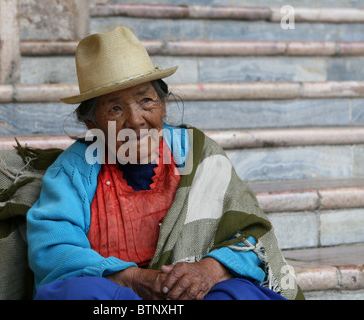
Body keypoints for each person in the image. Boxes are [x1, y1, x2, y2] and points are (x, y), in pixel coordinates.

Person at [26, 26, 304, 300]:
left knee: (238, 293)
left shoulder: (198, 153)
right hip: (119, 296)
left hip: (194, 296)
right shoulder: (74, 169)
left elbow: (249, 236)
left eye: (146, 100)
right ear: (91, 123)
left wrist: (208, 271)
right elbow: (53, 249)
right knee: (79, 293)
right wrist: (132, 279)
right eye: (115, 108)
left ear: (163, 105)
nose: (135, 120)